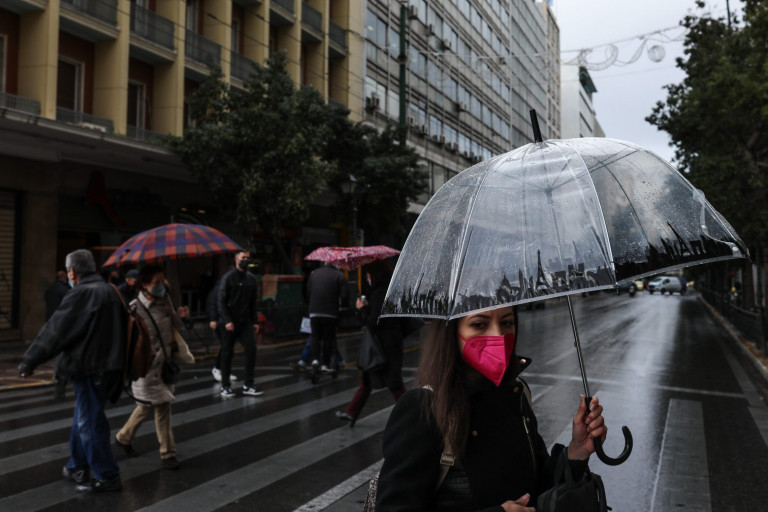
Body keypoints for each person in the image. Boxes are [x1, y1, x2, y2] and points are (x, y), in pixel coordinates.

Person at [375, 305, 607, 511]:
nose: (498, 335)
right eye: (479, 324)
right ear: (451, 332)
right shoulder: (423, 409)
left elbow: (539, 485)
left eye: (506, 322)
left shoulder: (516, 394)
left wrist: (577, 451)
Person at [19, 249, 125, 493]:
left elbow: (55, 331)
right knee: (84, 416)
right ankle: (77, 465)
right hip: (108, 367)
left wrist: (29, 361)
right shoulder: (109, 290)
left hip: (88, 367)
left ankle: (107, 474)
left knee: (90, 422)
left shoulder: (82, 293)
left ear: (72, 272)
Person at [114, 265, 188, 470]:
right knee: (162, 406)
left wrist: (181, 316)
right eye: (156, 282)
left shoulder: (166, 300)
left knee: (147, 406)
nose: (160, 286)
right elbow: (129, 340)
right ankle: (168, 453)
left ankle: (123, 438)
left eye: (162, 281)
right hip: (146, 366)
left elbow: (176, 325)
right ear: (144, 284)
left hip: (164, 364)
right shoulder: (135, 308)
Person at [336, 263, 404, 426]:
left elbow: (373, 321)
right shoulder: (389, 290)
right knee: (367, 380)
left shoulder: (379, 293)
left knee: (394, 383)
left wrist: (361, 309)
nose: (367, 278)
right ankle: (352, 413)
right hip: (386, 343)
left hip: (383, 345)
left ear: (375, 274)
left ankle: (412, 416)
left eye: (368, 275)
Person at [217, 251, 262, 397]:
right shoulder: (228, 278)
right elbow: (221, 301)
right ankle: (225, 386)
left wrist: (254, 321)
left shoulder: (251, 279)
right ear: (236, 260)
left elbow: (252, 303)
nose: (246, 260)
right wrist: (227, 320)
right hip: (230, 321)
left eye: (248, 258)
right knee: (227, 352)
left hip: (245, 321)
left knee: (251, 349)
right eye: (243, 258)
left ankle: (248, 384)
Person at [307, 263, 349, 373]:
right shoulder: (339, 275)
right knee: (328, 338)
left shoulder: (314, 274)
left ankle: (315, 360)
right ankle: (325, 364)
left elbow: (308, 290)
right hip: (330, 312)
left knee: (315, 336)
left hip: (314, 310)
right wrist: (343, 307)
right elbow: (344, 296)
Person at [206, 272, 238, 383]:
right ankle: (218, 369)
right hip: (221, 321)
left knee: (228, 346)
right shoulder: (220, 287)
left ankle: (224, 371)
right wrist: (213, 319)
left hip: (228, 320)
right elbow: (213, 303)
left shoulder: (230, 286)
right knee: (226, 347)